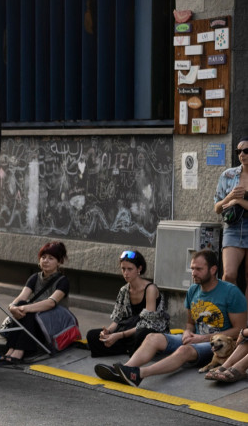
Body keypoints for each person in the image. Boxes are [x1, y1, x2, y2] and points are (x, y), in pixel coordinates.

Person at [94, 250, 247, 387]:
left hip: (216, 345)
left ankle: (138, 374)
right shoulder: (193, 290)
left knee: (184, 350)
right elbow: (189, 323)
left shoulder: (230, 292)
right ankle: (123, 369)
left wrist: (202, 338)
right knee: (153, 337)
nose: (193, 273)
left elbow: (239, 332)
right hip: (195, 339)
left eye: (199, 269)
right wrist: (187, 332)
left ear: (213, 270)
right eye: (192, 268)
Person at [85, 250, 168, 357]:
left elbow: (148, 323)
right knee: (92, 335)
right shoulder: (124, 290)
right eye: (123, 269)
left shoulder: (150, 289)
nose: (126, 273)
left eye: (130, 269)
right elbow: (118, 319)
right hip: (127, 330)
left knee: (142, 334)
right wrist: (108, 332)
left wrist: (119, 335)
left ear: (139, 269)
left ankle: (130, 349)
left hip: (147, 330)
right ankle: (128, 349)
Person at [0, 241, 71, 363]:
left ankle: (20, 350)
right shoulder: (34, 278)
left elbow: (51, 303)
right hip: (35, 321)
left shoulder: (63, 281)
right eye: (43, 257)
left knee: (28, 310)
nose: (45, 261)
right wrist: (12, 307)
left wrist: (24, 308)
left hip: (54, 324)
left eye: (51, 258)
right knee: (22, 305)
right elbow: (21, 297)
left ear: (59, 262)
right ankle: (11, 349)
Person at [214, 135, 248, 298]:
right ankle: (235, 312)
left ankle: (246, 320)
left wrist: (240, 201)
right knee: (228, 275)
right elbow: (217, 208)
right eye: (239, 151)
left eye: (246, 151)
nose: (242, 154)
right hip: (232, 228)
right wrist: (230, 198)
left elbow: (239, 202)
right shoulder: (228, 175)